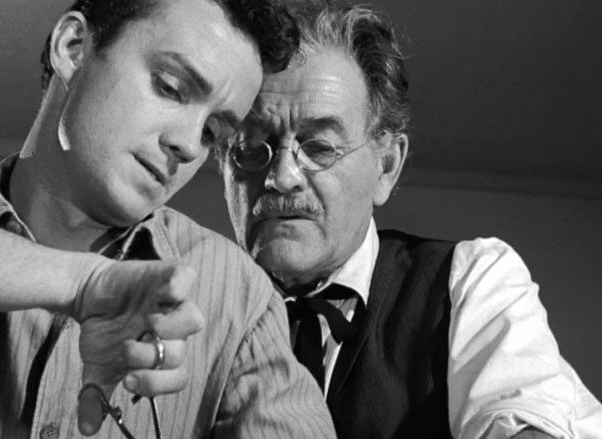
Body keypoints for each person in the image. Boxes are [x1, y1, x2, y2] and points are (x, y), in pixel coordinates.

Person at [0, 0, 336, 437]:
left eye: (211, 133)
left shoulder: (239, 301)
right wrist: (83, 283)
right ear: (72, 48)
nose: (186, 144)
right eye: (171, 87)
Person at [219, 1, 602, 438]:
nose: (281, 177)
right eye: (251, 147)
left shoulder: (466, 282)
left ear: (387, 166)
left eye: (319, 147)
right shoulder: (194, 306)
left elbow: (524, 414)